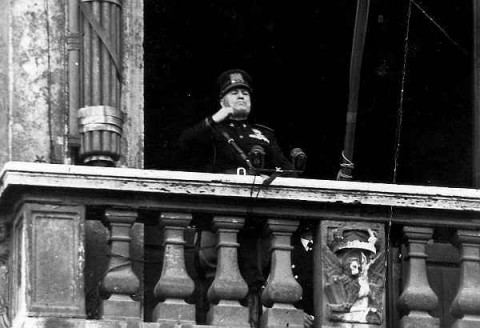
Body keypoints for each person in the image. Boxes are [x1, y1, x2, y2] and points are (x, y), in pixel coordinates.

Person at [177, 69, 310, 326]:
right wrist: (215, 119)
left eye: (245, 93)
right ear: (222, 101)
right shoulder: (212, 130)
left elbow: (285, 169)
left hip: (253, 222)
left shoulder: (263, 134)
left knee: (253, 278)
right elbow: (184, 145)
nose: (241, 96)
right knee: (213, 276)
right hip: (216, 217)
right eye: (234, 92)